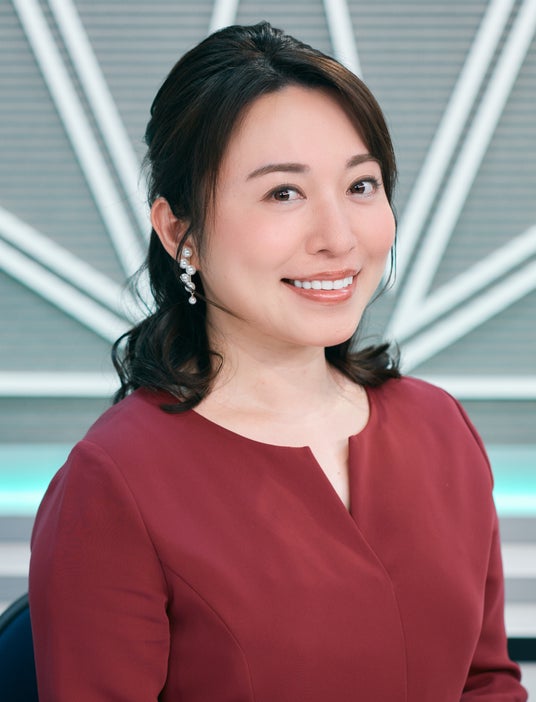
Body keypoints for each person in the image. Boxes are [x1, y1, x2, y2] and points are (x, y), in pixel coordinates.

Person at [29, 21, 527, 701]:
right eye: (283, 193)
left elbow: (484, 683)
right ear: (180, 231)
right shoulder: (114, 483)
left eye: (361, 186)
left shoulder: (439, 427)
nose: (338, 238)